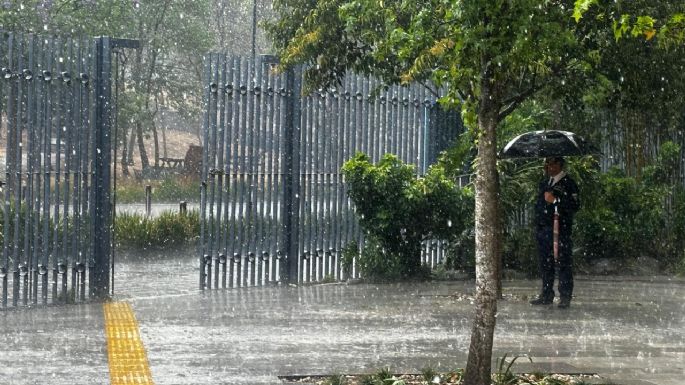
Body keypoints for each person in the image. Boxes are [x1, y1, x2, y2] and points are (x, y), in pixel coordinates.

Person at [530, 156, 580, 308]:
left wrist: (556, 201)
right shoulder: (545, 183)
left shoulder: (569, 184)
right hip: (544, 229)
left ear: (560, 164)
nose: (549, 167)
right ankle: (546, 294)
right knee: (546, 263)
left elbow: (575, 205)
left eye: (552, 163)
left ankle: (565, 296)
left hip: (561, 230)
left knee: (563, 262)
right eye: (547, 164)